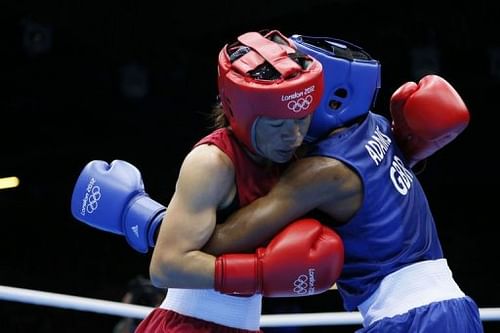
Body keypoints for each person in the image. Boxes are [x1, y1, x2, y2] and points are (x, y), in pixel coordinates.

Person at [201, 35, 483, 332]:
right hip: (451, 310)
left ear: (331, 95)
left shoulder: (324, 171)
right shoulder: (378, 126)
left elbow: (222, 242)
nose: (293, 92)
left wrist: (160, 225)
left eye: (303, 84)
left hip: (413, 319)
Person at [71, 29, 344, 333]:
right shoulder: (212, 164)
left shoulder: (295, 156)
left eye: (302, 118)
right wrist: (261, 273)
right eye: (278, 124)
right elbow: (165, 265)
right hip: (187, 326)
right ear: (239, 113)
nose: (293, 135)